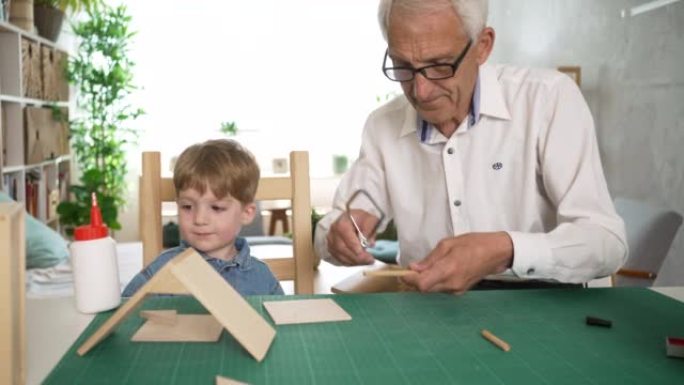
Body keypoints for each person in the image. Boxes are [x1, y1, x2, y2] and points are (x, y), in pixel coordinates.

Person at [314, 0, 627, 293]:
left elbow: (606, 243)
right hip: (428, 313)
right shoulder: (382, 126)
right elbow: (331, 230)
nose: (420, 91)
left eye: (439, 66)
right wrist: (339, 237)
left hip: (543, 307)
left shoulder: (548, 100)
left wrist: (504, 249)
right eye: (403, 66)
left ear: (483, 46)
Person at [123, 139, 284, 297]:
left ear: (246, 213)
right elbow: (122, 314)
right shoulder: (163, 270)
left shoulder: (262, 277)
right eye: (187, 207)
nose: (199, 219)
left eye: (216, 208)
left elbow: (282, 320)